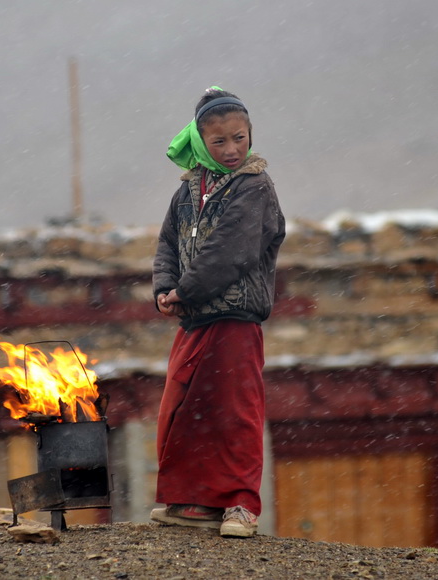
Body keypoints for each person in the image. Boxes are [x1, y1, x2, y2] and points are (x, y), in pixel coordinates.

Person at [150, 87, 285, 538]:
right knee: (183, 407)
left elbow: (232, 251)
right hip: (194, 317)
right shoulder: (188, 190)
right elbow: (168, 243)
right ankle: (193, 502)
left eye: (240, 138)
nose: (232, 150)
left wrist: (183, 293)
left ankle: (241, 505)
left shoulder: (256, 188)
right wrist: (165, 288)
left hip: (235, 318)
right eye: (219, 142)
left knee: (235, 412)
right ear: (200, 141)